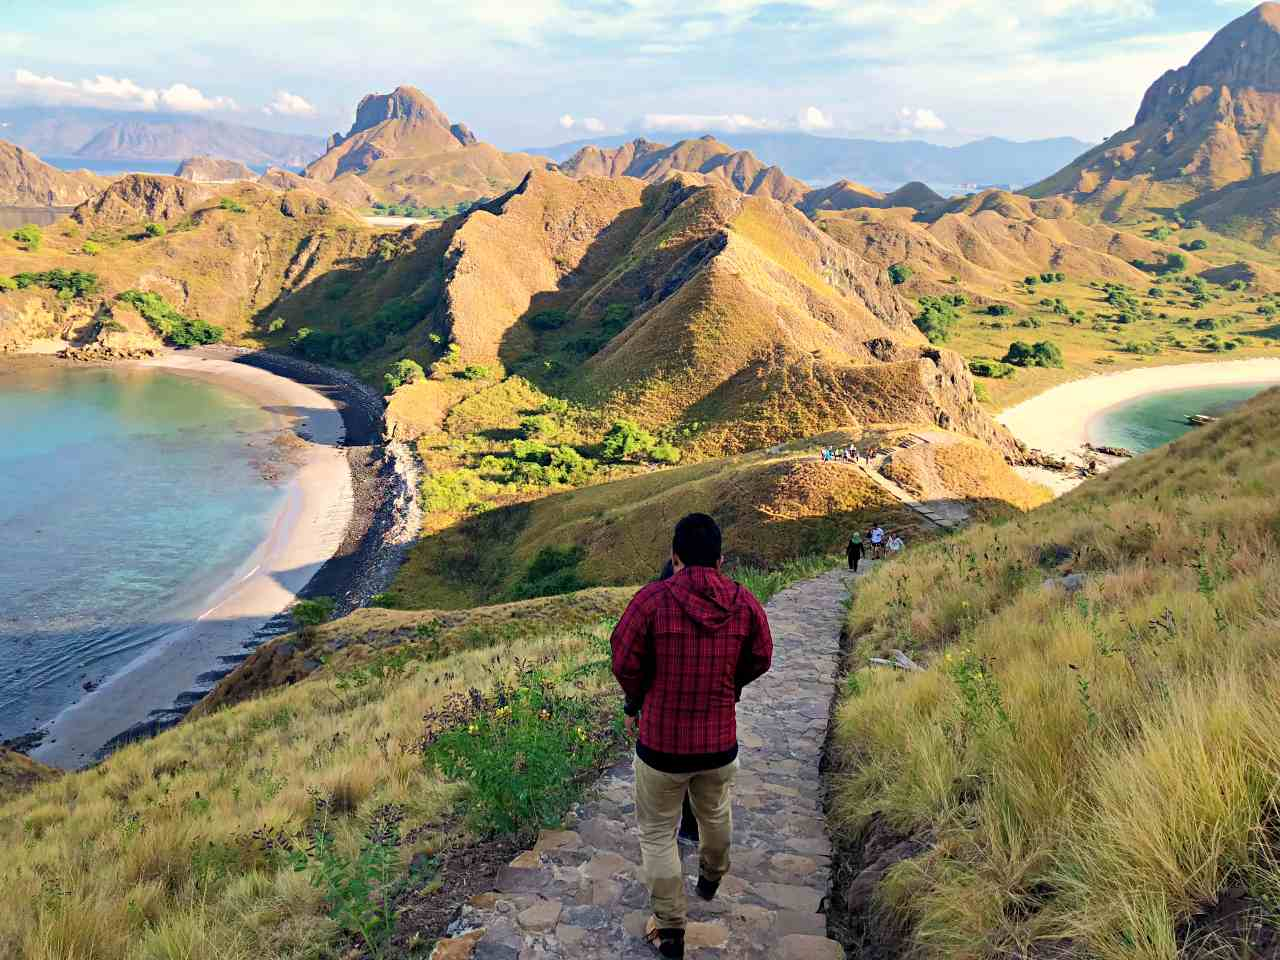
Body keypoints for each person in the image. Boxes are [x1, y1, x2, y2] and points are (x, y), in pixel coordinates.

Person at [612, 514, 773, 958]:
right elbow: (762, 655)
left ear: (674, 556)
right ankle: (712, 874)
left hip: (662, 745)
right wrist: (731, 684)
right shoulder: (743, 602)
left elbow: (623, 660)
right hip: (719, 741)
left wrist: (640, 694)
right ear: (721, 560)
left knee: (658, 833)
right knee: (715, 810)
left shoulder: (651, 601)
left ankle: (671, 928)